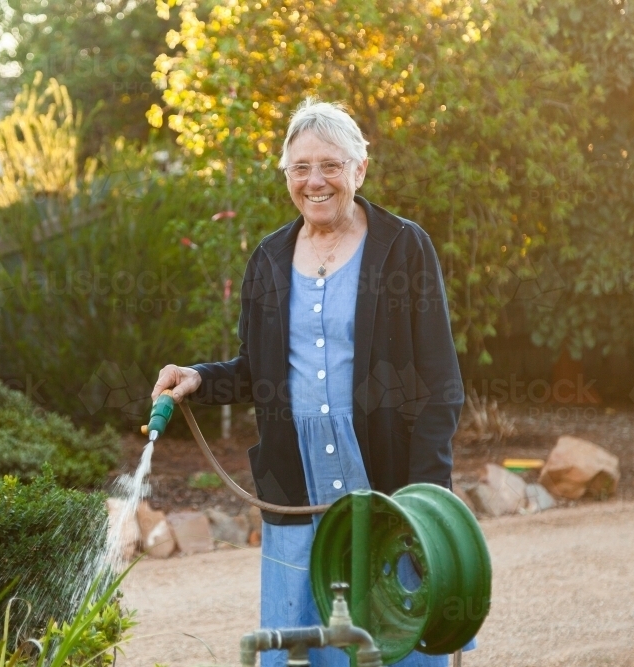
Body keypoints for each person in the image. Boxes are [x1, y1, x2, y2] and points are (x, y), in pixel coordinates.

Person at [151, 98, 467, 666]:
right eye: (300, 167)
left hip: (388, 482)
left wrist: (427, 495)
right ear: (287, 176)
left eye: (330, 165)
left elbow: (440, 383)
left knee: (399, 639)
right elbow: (257, 370)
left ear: (359, 170)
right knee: (299, 648)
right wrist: (198, 378)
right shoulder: (268, 259)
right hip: (296, 485)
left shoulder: (403, 247)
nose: (314, 180)